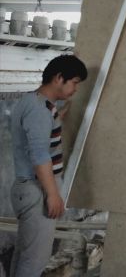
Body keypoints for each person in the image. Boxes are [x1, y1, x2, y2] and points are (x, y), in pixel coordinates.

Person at [9, 54, 87, 277]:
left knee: (25, 256)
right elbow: (39, 154)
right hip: (38, 189)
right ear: (59, 78)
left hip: (31, 188)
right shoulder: (39, 110)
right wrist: (52, 194)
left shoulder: (34, 102)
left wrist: (56, 118)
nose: (75, 89)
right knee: (35, 260)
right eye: (74, 82)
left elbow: (37, 134)